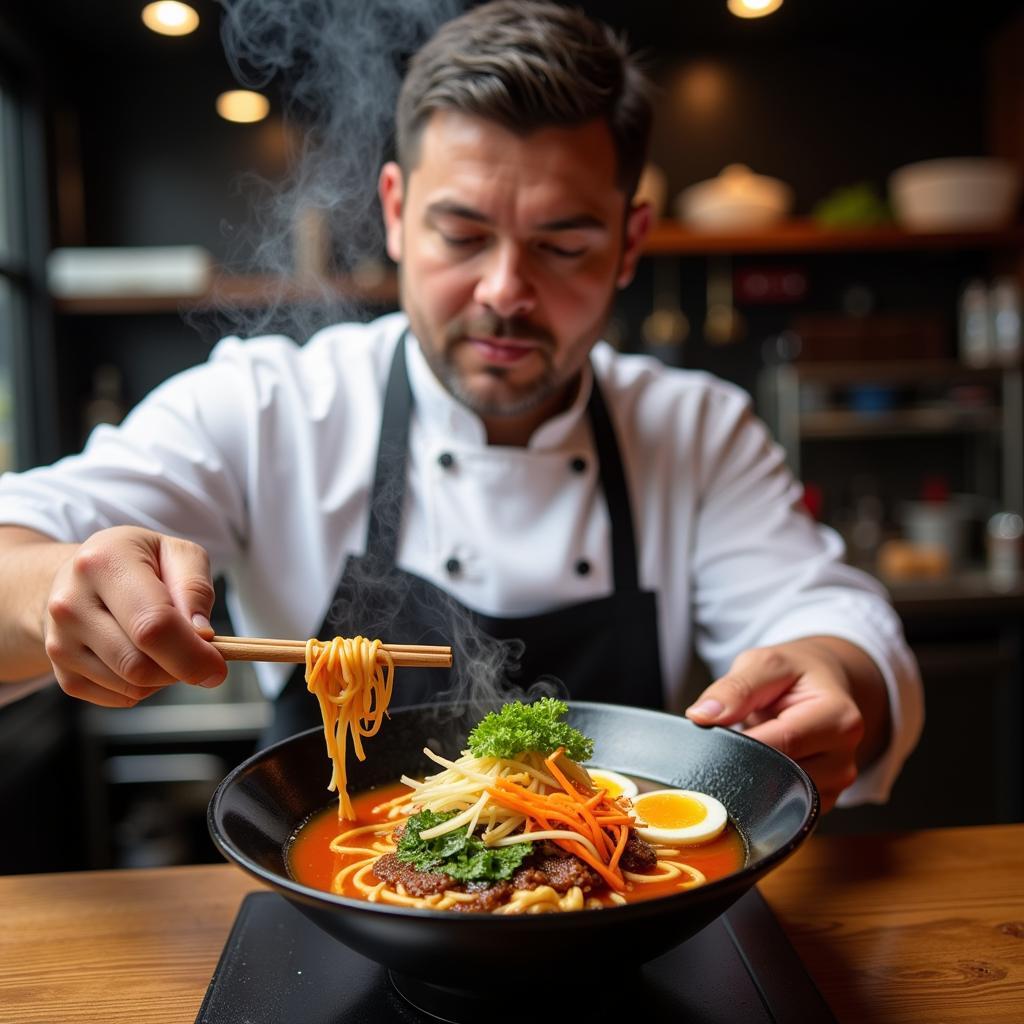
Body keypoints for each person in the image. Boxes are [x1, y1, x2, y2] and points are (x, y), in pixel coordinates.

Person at [0, 0, 921, 813]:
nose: (505, 291)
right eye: (463, 234)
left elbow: (830, 621)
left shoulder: (696, 428)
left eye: (563, 243)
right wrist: (58, 588)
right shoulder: (271, 404)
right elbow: (20, 541)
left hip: (621, 919)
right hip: (323, 924)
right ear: (396, 213)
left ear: (630, 240)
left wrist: (836, 676)